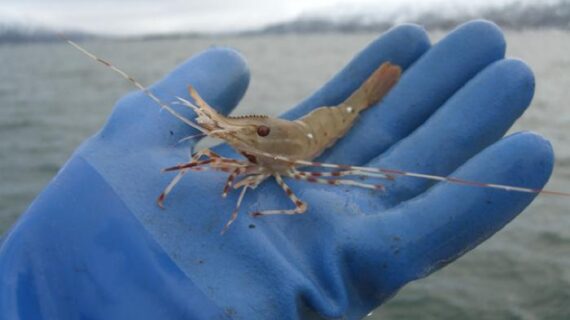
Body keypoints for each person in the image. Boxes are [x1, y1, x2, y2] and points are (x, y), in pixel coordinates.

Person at [0, 20, 552, 319]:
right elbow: (242, 142)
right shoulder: (247, 146)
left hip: (332, 124)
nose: (240, 143)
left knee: (357, 128)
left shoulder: (294, 164)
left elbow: (296, 192)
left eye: (255, 135)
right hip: (296, 136)